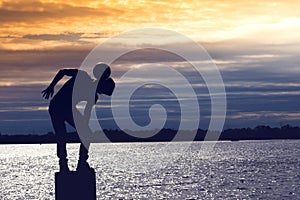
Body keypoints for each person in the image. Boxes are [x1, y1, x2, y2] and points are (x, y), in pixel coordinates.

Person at [42, 63, 115, 172]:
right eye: (103, 91)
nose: (100, 93)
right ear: (101, 84)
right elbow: (63, 71)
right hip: (57, 106)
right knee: (62, 136)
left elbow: (87, 114)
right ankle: (63, 164)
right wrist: (51, 86)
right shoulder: (82, 76)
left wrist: (84, 130)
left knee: (86, 133)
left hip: (68, 108)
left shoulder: (93, 96)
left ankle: (82, 163)